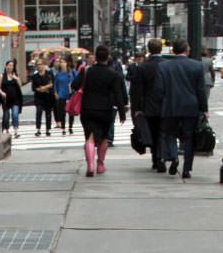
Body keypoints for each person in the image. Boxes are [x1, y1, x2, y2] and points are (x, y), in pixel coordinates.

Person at [153, 39, 208, 180]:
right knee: (189, 137)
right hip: (191, 106)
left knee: (169, 134)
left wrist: (161, 103)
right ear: (187, 50)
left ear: (173, 50)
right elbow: (201, 90)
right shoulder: (196, 66)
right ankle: (186, 169)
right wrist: (204, 108)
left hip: (170, 106)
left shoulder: (163, 66)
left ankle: (174, 157)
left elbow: (158, 90)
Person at [72, 45, 127, 176]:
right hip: (105, 110)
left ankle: (90, 165)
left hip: (88, 108)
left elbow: (74, 85)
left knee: (89, 137)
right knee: (103, 138)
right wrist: (122, 112)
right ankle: (100, 164)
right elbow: (119, 95)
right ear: (107, 58)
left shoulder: (87, 71)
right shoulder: (113, 74)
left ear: (95, 57)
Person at [134, 39, 167, 171]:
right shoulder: (167, 65)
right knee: (164, 132)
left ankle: (156, 159)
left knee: (153, 132)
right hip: (165, 104)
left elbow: (138, 90)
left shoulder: (143, 67)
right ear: (161, 49)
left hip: (149, 105)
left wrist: (138, 108)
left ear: (149, 50)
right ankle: (163, 156)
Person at [30, 59, 56, 136]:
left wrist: (43, 88)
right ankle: (38, 129)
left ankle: (48, 129)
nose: (39, 66)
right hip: (39, 97)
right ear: (36, 67)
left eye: (41, 64)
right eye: (38, 65)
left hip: (48, 96)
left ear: (44, 65)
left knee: (48, 113)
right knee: (39, 111)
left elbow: (52, 84)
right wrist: (41, 89)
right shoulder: (34, 76)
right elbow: (34, 88)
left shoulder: (49, 74)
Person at [1, 58, 24, 138]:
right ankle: (6, 130)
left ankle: (16, 131)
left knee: (15, 114)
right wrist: (2, 92)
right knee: (6, 115)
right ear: (6, 66)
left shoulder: (16, 75)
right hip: (6, 100)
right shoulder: (2, 76)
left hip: (15, 99)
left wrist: (16, 78)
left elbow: (20, 85)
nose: (10, 67)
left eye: (12, 66)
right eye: (9, 65)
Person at [53, 58, 76, 134]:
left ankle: (70, 126)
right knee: (62, 112)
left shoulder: (71, 72)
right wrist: (55, 93)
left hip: (70, 94)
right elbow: (55, 85)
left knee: (71, 112)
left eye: (63, 62)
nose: (62, 63)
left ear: (66, 63)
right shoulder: (58, 74)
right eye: (60, 62)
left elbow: (77, 80)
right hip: (61, 95)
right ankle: (63, 127)